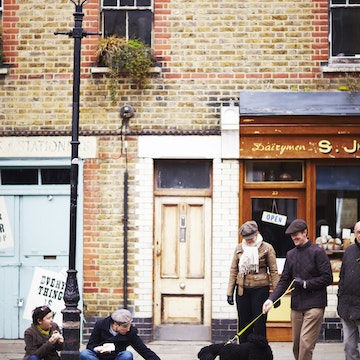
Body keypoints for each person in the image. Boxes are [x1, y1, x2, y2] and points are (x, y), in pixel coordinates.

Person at [262, 219, 333, 360]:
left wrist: (306, 284)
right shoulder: (291, 254)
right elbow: (284, 281)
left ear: (305, 232)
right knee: (297, 345)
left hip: (315, 305)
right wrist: (271, 299)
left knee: (306, 344)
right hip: (297, 305)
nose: (294, 237)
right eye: (292, 235)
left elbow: (327, 278)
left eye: (296, 234)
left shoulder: (318, 252)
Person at [226, 220, 280, 343]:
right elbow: (234, 270)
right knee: (244, 324)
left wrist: (276, 295)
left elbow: (273, 271)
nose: (249, 241)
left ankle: (260, 354)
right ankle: (244, 353)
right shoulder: (239, 248)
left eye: (251, 238)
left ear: (257, 234)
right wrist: (229, 292)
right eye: (246, 238)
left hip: (260, 290)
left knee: (259, 324)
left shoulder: (266, 248)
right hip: (242, 290)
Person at [80, 308, 161, 360]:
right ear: (115, 324)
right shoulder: (100, 325)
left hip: (116, 357)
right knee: (85, 353)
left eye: (129, 325)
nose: (128, 329)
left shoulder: (130, 332)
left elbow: (144, 350)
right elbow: (90, 345)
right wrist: (98, 349)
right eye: (125, 326)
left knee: (127, 355)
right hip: (98, 357)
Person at [337, 220, 360, 360]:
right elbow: (342, 276)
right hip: (348, 307)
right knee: (348, 347)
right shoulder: (349, 251)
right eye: (358, 232)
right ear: (354, 234)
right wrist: (340, 296)